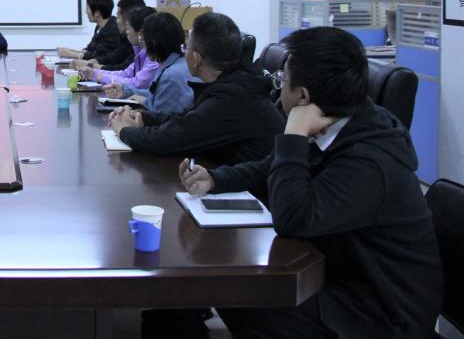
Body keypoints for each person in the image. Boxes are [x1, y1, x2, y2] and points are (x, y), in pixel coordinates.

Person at [180, 26, 442, 338]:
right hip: (345, 274)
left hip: (382, 312)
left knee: (242, 294)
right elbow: (271, 167)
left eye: (283, 81)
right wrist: (215, 178)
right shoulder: (343, 118)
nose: (278, 89)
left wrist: (293, 134)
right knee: (235, 285)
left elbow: (292, 218)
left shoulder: (369, 160)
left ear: (303, 97)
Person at [109, 12, 285, 165]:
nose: (183, 53)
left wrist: (124, 130)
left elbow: (169, 140)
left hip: (250, 190)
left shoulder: (232, 96)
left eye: (185, 47)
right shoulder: (230, 84)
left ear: (196, 58)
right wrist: (142, 117)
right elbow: (185, 119)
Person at [116, 11, 198, 114]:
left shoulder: (170, 75)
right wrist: (127, 91)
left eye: (143, 39)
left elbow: (159, 117)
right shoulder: (182, 63)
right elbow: (157, 95)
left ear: (153, 42)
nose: (143, 44)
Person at [81, 6, 158, 92]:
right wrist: (94, 73)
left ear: (140, 33)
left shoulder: (155, 56)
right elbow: (126, 73)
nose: (127, 32)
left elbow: (137, 84)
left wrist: (101, 77)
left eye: (128, 28)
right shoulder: (141, 51)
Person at [57, 0, 122, 66]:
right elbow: (91, 49)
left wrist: (72, 54)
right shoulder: (99, 27)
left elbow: (99, 56)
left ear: (97, 13)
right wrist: (72, 51)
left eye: (87, 8)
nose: (86, 12)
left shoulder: (113, 29)